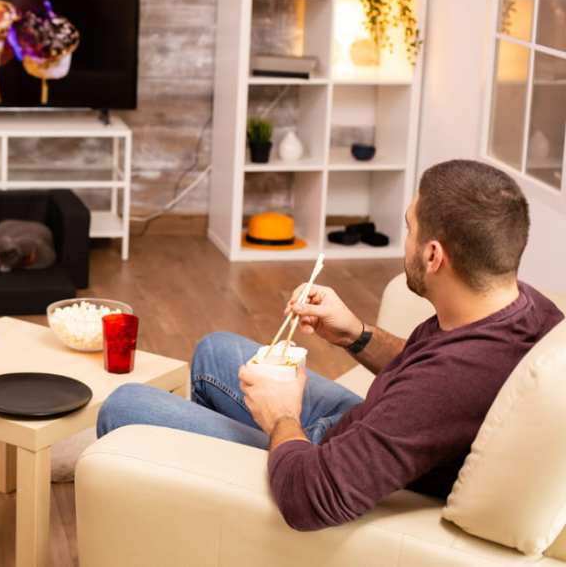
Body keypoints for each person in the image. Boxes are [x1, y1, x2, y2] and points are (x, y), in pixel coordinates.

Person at [98, 159, 563, 530]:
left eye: (409, 227)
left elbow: (312, 498)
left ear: (433, 255)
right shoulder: (522, 308)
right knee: (216, 351)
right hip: (364, 428)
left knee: (123, 408)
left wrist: (281, 415)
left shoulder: (449, 386)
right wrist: (354, 333)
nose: (406, 239)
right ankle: (201, 492)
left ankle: (223, 497)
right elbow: (425, 367)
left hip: (323, 466)